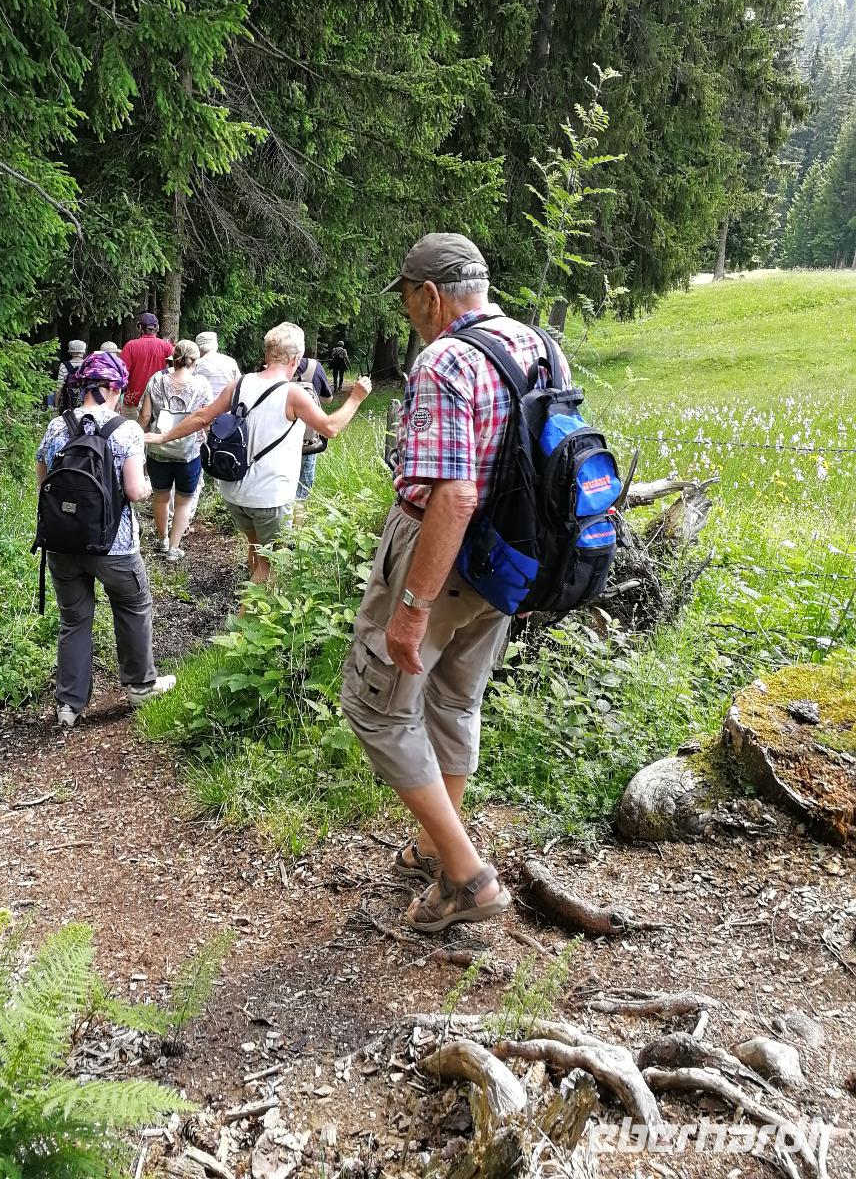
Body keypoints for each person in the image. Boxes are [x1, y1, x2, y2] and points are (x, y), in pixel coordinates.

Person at [340, 232, 571, 932]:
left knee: (375, 707)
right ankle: (435, 849)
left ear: (430, 296)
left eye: (410, 303)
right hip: (508, 561)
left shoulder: (444, 361)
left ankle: (467, 878)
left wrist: (410, 608)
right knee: (454, 699)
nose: (411, 319)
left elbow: (454, 494)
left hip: (441, 555)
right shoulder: (540, 346)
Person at [146, 322, 372, 585]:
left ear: (266, 354)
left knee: (255, 549)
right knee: (271, 566)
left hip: (234, 494)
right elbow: (330, 428)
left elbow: (201, 417)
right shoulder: (293, 393)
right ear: (295, 359)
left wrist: (162, 436)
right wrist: (356, 397)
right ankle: (245, 624)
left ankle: (251, 605)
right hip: (271, 498)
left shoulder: (239, 384)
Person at [35, 350, 176, 729]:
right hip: (115, 547)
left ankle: (68, 705)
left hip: (62, 545)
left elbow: (43, 485)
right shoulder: (126, 430)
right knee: (132, 608)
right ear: (115, 388)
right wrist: (146, 485)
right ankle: (139, 686)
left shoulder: (56, 428)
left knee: (74, 620)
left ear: (83, 386)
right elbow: (134, 491)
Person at [138, 339, 212, 562]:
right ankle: (174, 547)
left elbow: (144, 415)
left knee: (160, 496)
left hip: (158, 449)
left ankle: (161, 540)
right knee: (183, 500)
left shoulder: (157, 380)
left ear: (173, 357)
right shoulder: (202, 385)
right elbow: (206, 419)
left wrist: (137, 438)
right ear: (195, 360)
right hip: (189, 452)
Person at [293, 349, 334, 512]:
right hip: (308, 437)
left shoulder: (269, 369)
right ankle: (298, 521)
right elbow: (328, 398)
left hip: (277, 438)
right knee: (304, 478)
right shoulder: (313, 367)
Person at [120, 313, 173, 416]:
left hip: (133, 401)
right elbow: (173, 372)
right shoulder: (167, 347)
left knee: (132, 431)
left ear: (140, 327)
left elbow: (122, 374)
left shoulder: (130, 346)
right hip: (158, 401)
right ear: (157, 328)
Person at [193, 331, 240, 401]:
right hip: (227, 407)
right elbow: (239, 384)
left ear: (199, 348)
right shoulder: (230, 361)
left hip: (206, 408)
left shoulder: (197, 364)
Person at [53, 339, 88, 411]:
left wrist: (56, 407)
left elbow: (59, 387)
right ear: (83, 351)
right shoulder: (88, 365)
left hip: (68, 405)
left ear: (70, 351)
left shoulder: (64, 365)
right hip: (86, 405)